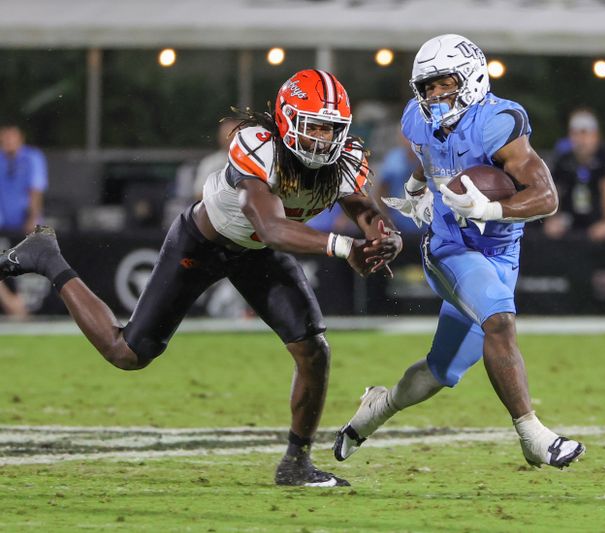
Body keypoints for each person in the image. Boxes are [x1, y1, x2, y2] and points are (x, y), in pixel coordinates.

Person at [0, 69, 402, 487]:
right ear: (286, 120)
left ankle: (296, 462)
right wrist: (344, 248)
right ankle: (47, 258)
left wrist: (384, 239)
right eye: (313, 126)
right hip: (203, 243)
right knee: (127, 353)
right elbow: (271, 228)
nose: (323, 138)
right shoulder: (257, 145)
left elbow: (362, 208)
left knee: (313, 349)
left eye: (331, 128)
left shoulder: (347, 156)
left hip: (257, 255)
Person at [333, 34, 585, 469]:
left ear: (470, 78)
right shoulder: (417, 118)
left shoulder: (497, 122)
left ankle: (376, 408)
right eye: (427, 87)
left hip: (501, 255)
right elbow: (430, 151)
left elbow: (547, 198)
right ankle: (533, 435)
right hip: (448, 247)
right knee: (500, 321)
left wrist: (491, 206)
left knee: (439, 372)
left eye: (443, 83)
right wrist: (416, 186)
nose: (434, 95)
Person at [544, 109, 605, 242]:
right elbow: (554, 189)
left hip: (596, 220)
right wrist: (552, 219)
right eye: (575, 134)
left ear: (595, 135)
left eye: (584, 133)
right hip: (570, 220)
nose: (580, 139)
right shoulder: (563, 160)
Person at [0, 122, 48, 234]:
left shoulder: (32, 158)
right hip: (3, 223)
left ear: (20, 138)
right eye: (5, 137)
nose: (8, 141)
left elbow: (36, 190)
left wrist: (33, 219)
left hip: (26, 223)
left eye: (11, 137)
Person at [192, 118, 241, 201]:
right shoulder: (210, 163)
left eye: (234, 136)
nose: (231, 140)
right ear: (220, 138)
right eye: (228, 136)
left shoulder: (253, 159)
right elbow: (199, 194)